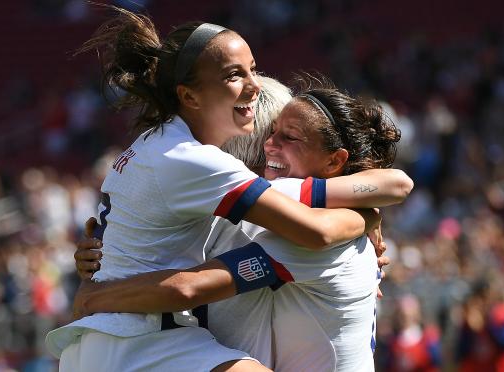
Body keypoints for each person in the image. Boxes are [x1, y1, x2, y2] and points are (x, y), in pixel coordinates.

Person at [46, 8, 383, 372]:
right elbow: (330, 222)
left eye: (287, 139)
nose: (272, 149)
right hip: (139, 344)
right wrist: (366, 214)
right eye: (272, 138)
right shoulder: (208, 176)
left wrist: (96, 290)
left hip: (113, 344)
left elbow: (186, 283)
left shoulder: (159, 147)